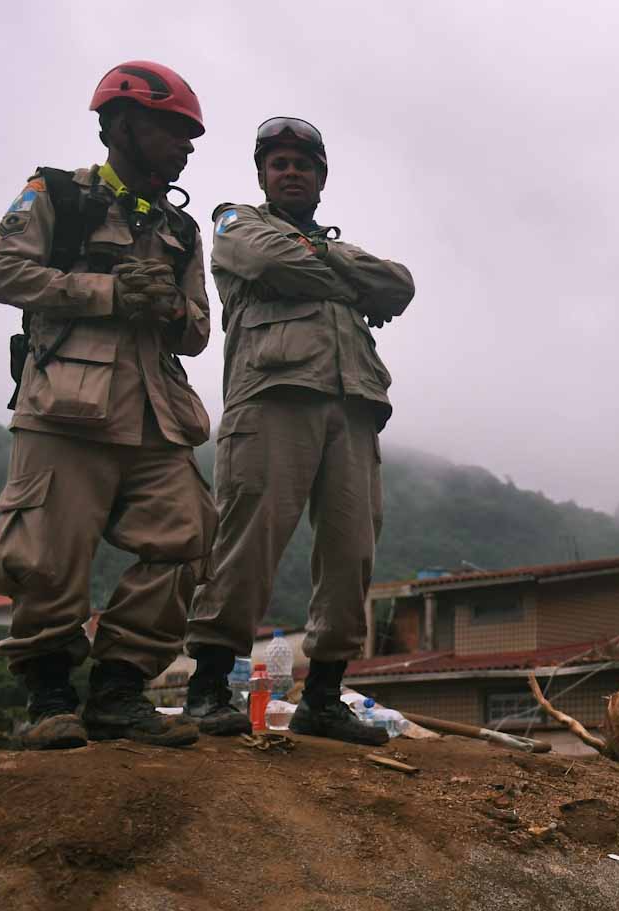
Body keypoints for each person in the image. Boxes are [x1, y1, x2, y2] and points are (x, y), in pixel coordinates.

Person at [0, 60, 216, 750]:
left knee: (189, 538)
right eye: (173, 131)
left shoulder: (181, 229)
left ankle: (119, 689)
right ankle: (49, 696)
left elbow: (198, 332)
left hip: (155, 412)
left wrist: (168, 303)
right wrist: (106, 292)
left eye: (190, 136)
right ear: (122, 126)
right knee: (49, 554)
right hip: (65, 406)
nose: (186, 147)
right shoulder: (56, 194)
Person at [181, 117, 415, 745]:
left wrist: (321, 257)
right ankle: (205, 687)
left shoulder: (333, 246)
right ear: (262, 176)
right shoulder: (237, 222)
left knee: (352, 550)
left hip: (355, 405)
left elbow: (399, 285)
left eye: (302, 165)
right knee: (247, 537)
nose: (290, 172)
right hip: (272, 399)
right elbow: (261, 257)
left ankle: (323, 696)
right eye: (278, 163)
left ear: (320, 179)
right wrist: (346, 279)